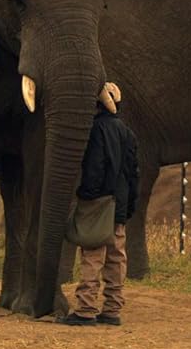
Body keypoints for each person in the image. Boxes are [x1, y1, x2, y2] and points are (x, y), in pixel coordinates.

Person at [59, 82, 139, 327]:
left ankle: (86, 309)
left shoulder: (95, 130)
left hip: (99, 203)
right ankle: (112, 309)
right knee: (116, 258)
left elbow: (94, 169)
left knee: (93, 255)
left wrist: (85, 195)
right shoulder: (127, 132)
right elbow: (133, 173)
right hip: (120, 205)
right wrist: (129, 205)